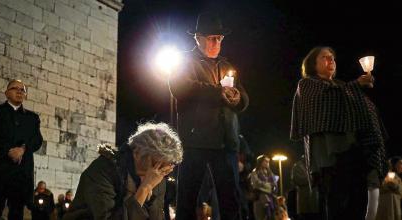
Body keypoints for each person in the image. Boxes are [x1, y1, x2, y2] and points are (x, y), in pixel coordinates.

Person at [290, 46, 388, 220]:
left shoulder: (343, 85)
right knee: (336, 202)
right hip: (328, 156)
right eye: (325, 57)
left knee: (357, 202)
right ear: (313, 63)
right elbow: (327, 99)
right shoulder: (306, 85)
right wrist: (356, 85)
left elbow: (360, 108)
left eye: (333, 58)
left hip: (353, 151)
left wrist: (361, 94)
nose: (331, 61)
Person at [169, 12, 249, 220]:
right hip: (196, 140)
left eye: (220, 38)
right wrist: (217, 92)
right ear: (198, 38)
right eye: (212, 38)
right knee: (188, 198)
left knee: (230, 200)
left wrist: (238, 98)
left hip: (226, 142)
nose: (217, 42)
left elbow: (243, 98)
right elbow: (179, 87)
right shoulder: (185, 61)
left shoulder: (226, 66)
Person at [63, 122, 183, 220]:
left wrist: (150, 196)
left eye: (165, 167)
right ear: (137, 152)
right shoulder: (103, 169)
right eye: (156, 163)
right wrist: (144, 188)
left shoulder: (157, 176)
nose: (160, 171)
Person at [0, 79, 43, 220]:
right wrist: (9, 150)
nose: (20, 92)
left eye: (23, 90)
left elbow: (37, 140)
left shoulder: (32, 118)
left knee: (17, 213)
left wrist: (23, 149)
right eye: (15, 88)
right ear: (6, 93)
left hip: (21, 175)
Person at [291, 155, 320, 220]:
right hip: (304, 198)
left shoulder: (314, 165)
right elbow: (297, 180)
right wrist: (312, 179)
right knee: (305, 215)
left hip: (314, 199)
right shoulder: (297, 166)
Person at [249, 155, 278, 220]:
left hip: (270, 199)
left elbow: (275, 186)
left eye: (268, 161)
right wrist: (269, 186)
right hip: (259, 198)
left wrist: (267, 186)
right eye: (265, 161)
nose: (267, 163)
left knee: (271, 217)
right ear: (260, 162)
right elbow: (256, 184)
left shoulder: (270, 173)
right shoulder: (255, 172)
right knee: (260, 217)